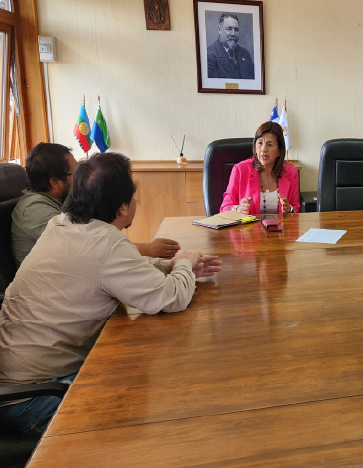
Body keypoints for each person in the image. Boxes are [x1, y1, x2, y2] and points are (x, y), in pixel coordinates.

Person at [0, 152, 222, 434]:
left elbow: (115, 267)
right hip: (36, 397)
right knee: (154, 406)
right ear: (122, 209)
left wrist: (171, 266)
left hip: (16, 385)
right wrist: (184, 264)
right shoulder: (107, 243)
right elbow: (172, 298)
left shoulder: (62, 224)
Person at [12, 142, 180, 267]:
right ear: (55, 182)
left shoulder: (56, 202)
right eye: (75, 172)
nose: (80, 177)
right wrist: (148, 249)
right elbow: (89, 246)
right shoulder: (35, 210)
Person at [220, 121, 300, 215]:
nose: (263, 149)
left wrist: (289, 210)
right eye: (260, 143)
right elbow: (224, 208)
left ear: (279, 151)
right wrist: (238, 209)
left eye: (269, 145)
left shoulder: (291, 173)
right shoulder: (240, 170)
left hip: (280, 225)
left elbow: (296, 211)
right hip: (249, 225)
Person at [206, 12, 255, 80]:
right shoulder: (209, 56)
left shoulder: (245, 54)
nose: (233, 34)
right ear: (219, 30)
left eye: (236, 30)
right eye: (229, 29)